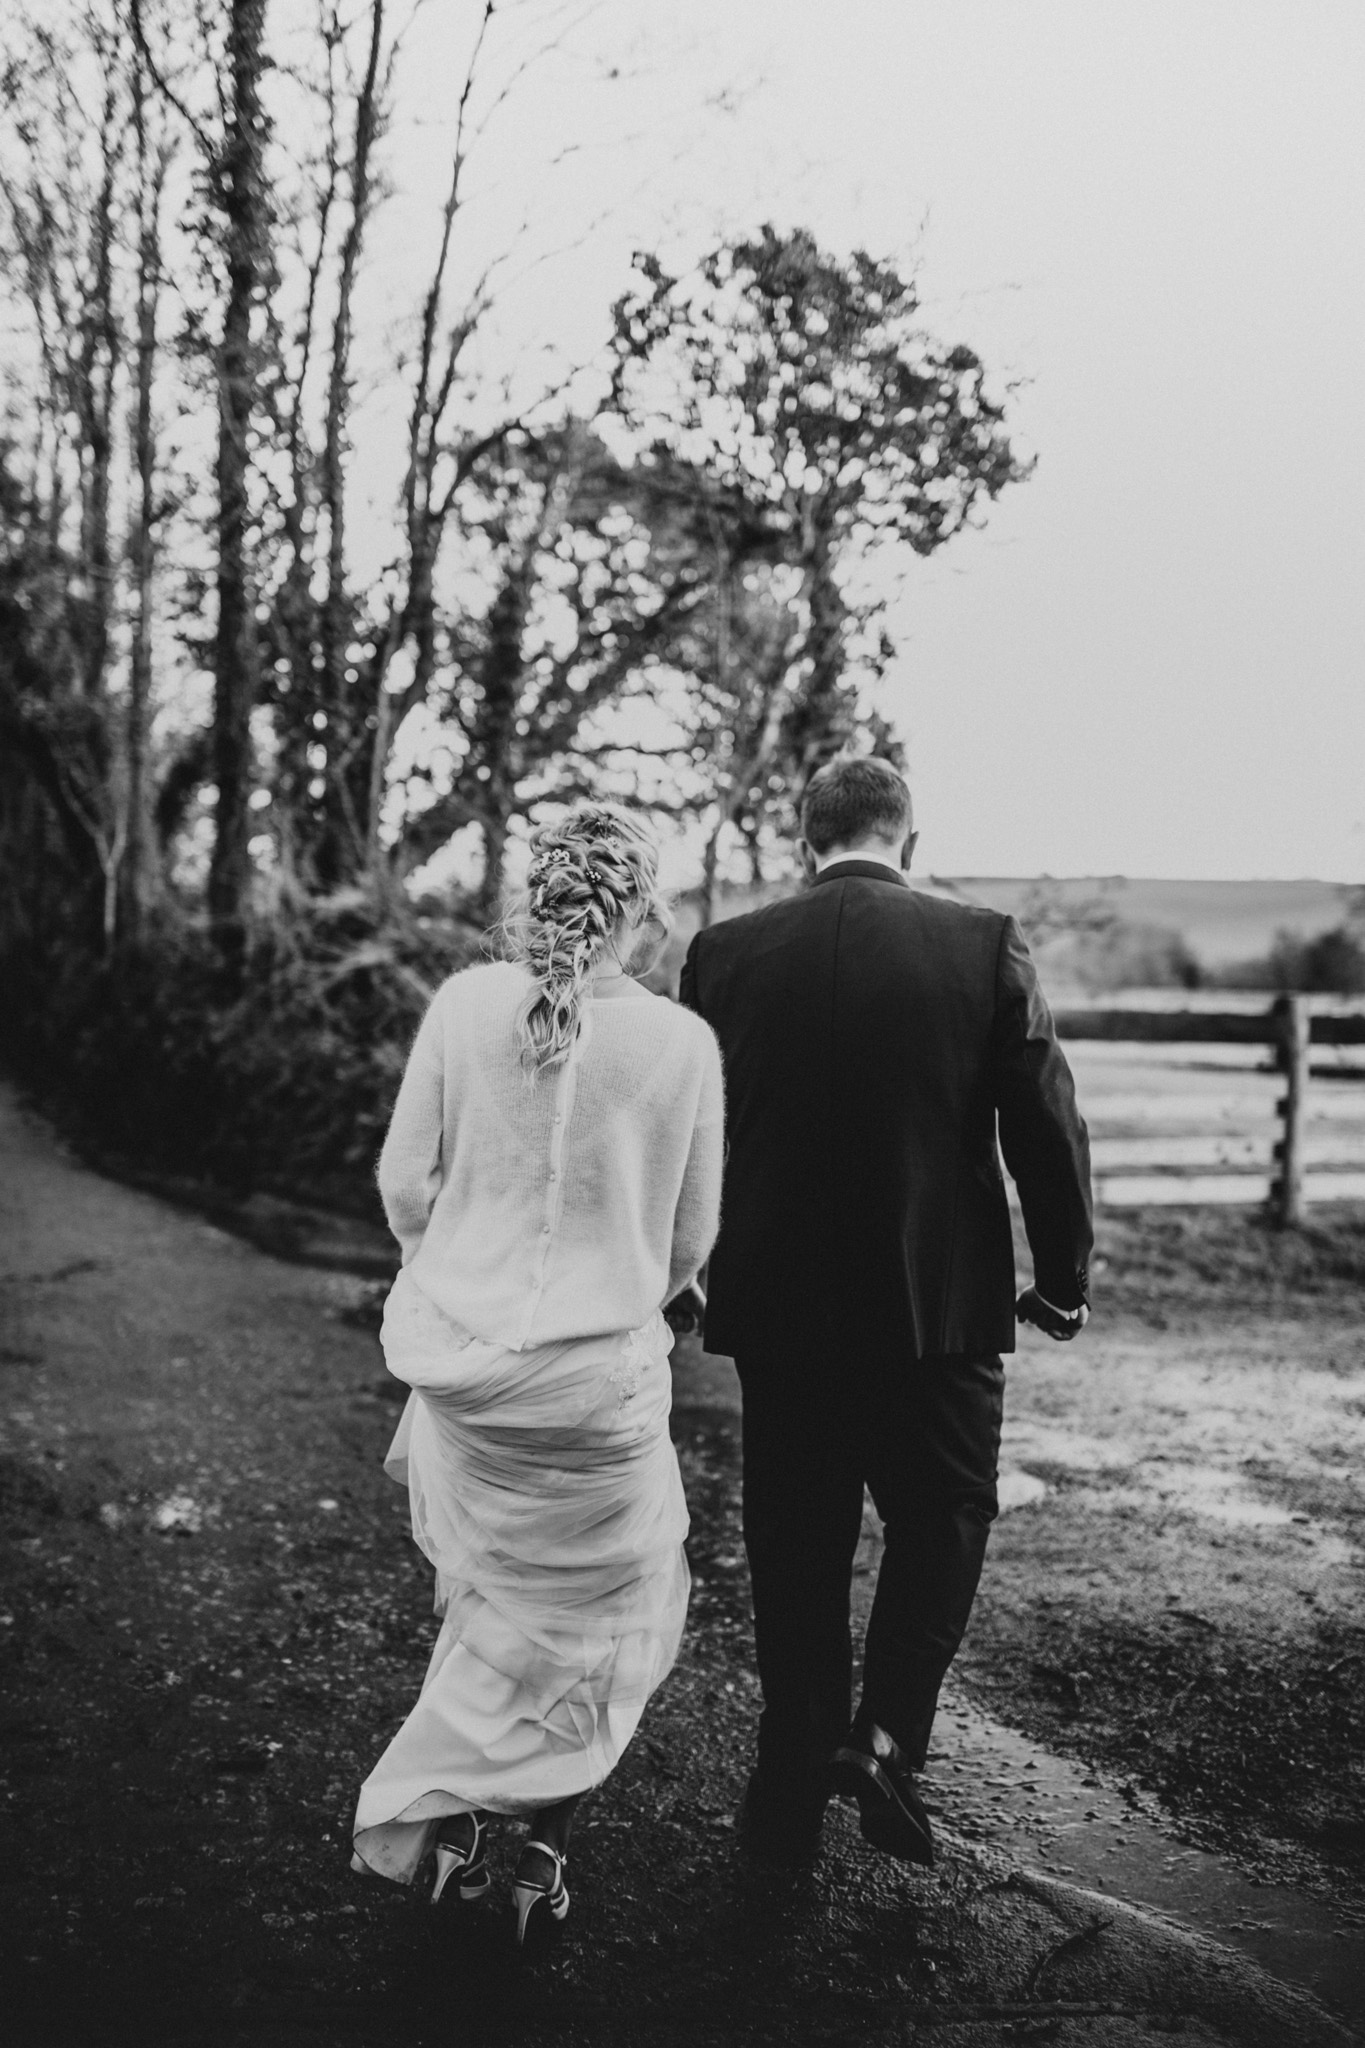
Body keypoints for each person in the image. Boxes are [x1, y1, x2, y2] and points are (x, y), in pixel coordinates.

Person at [680, 755, 1092, 1868]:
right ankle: (886, 1736)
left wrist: (684, 1270)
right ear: (908, 840)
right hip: (938, 1309)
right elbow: (1045, 1124)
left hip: (779, 1309)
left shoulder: (724, 954)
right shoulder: (981, 943)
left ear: (804, 839)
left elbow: (688, 1132)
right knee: (945, 1512)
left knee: (795, 1538)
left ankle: (787, 1781)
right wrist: (1061, 1278)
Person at [352, 803, 724, 1945]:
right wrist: (620, 1290)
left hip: (465, 1374)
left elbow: (403, 1182)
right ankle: (541, 1856)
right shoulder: (681, 1045)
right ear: (641, 912)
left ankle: (459, 1824)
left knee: (492, 1594)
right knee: (608, 1623)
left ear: (537, 897)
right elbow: (690, 1241)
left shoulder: (465, 1006)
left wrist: (451, 1268)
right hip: (600, 1388)